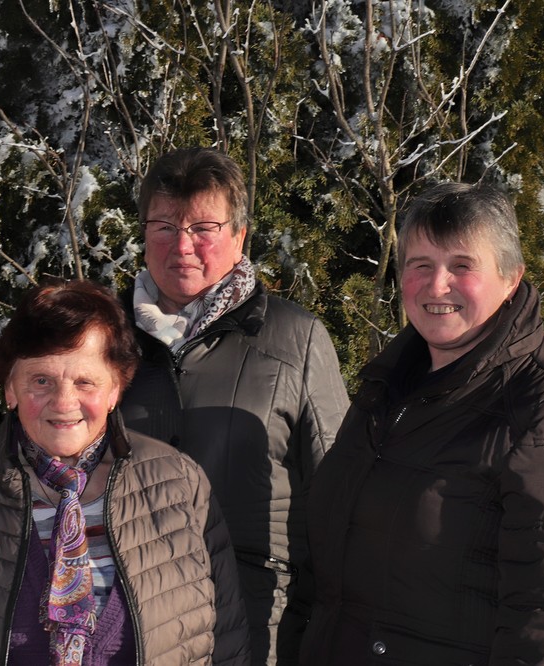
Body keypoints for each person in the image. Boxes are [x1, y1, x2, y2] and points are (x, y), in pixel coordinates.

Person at [294, 183, 544, 664]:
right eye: (420, 265)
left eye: (462, 265)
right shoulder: (386, 392)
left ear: (511, 278)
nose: (436, 285)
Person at [0, 279, 251, 665]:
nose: (64, 402)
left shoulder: (178, 482)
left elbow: (227, 639)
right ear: (10, 388)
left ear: (115, 389)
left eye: (85, 382)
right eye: (41, 380)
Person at [118, 147, 350, 664]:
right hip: (127, 625)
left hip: (256, 624)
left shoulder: (296, 339)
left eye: (203, 227)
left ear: (239, 236)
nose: (182, 246)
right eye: (164, 227)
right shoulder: (104, 340)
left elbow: (340, 498)